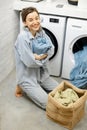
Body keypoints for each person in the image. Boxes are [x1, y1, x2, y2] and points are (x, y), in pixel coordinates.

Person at [14, 7, 59, 109]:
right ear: (25, 23)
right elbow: (30, 62)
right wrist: (42, 57)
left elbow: (52, 49)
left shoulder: (41, 31)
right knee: (50, 105)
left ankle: (27, 85)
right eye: (31, 20)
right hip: (28, 78)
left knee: (61, 90)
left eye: (37, 18)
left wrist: (40, 56)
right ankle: (21, 84)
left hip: (42, 75)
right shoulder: (22, 38)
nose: (35, 22)